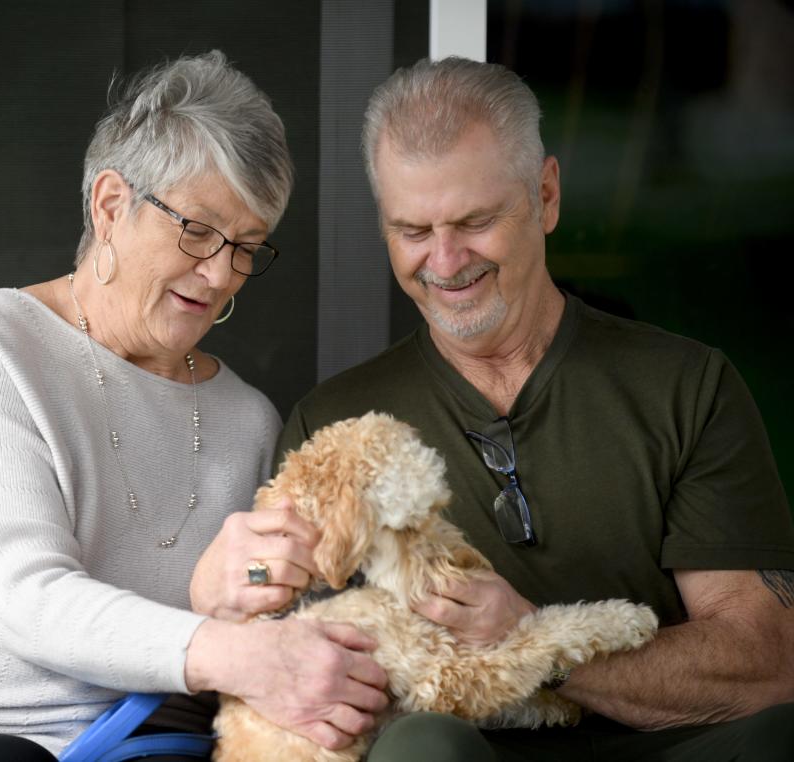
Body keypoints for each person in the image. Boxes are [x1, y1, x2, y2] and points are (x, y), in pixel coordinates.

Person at [0, 51, 388, 761]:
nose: (221, 275)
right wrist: (227, 648)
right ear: (109, 204)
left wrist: (261, 605)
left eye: (246, 247)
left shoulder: (246, 419)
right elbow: (24, 597)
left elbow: (250, 629)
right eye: (197, 229)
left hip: (147, 745)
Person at [277, 56, 794, 760]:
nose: (447, 261)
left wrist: (533, 643)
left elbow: (763, 663)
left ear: (546, 197)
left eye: (475, 221)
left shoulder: (685, 387)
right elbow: (310, 684)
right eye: (413, 231)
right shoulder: (336, 423)